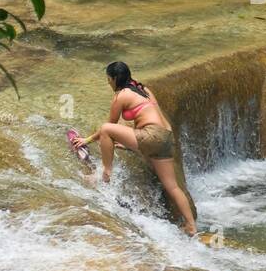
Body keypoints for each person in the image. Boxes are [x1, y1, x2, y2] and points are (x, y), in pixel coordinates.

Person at [76, 61, 198, 236]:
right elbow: (154, 117)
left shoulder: (121, 96)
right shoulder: (142, 89)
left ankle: (104, 175)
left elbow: (109, 126)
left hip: (151, 136)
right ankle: (191, 226)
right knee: (173, 187)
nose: (108, 83)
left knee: (105, 129)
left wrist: (86, 140)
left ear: (115, 78)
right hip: (165, 138)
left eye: (109, 79)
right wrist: (129, 142)